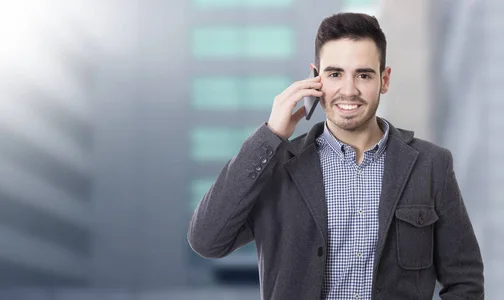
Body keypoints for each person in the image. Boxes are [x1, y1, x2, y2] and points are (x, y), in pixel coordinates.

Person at [187, 12, 484, 300]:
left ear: (385, 79)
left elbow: (464, 280)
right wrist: (270, 136)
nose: (349, 90)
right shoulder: (277, 167)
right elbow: (206, 240)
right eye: (335, 74)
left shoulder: (431, 164)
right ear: (316, 79)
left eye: (363, 75)